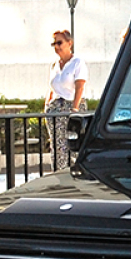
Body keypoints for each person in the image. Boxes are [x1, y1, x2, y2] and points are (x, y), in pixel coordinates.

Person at [46, 29, 87, 169]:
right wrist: (47, 104)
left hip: (70, 106)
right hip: (55, 109)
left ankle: (72, 171)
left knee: (70, 143)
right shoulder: (54, 65)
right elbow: (51, 87)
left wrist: (74, 109)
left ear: (69, 43)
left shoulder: (77, 62)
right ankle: (57, 171)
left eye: (59, 43)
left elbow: (80, 86)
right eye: (54, 44)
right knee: (56, 144)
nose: (57, 47)